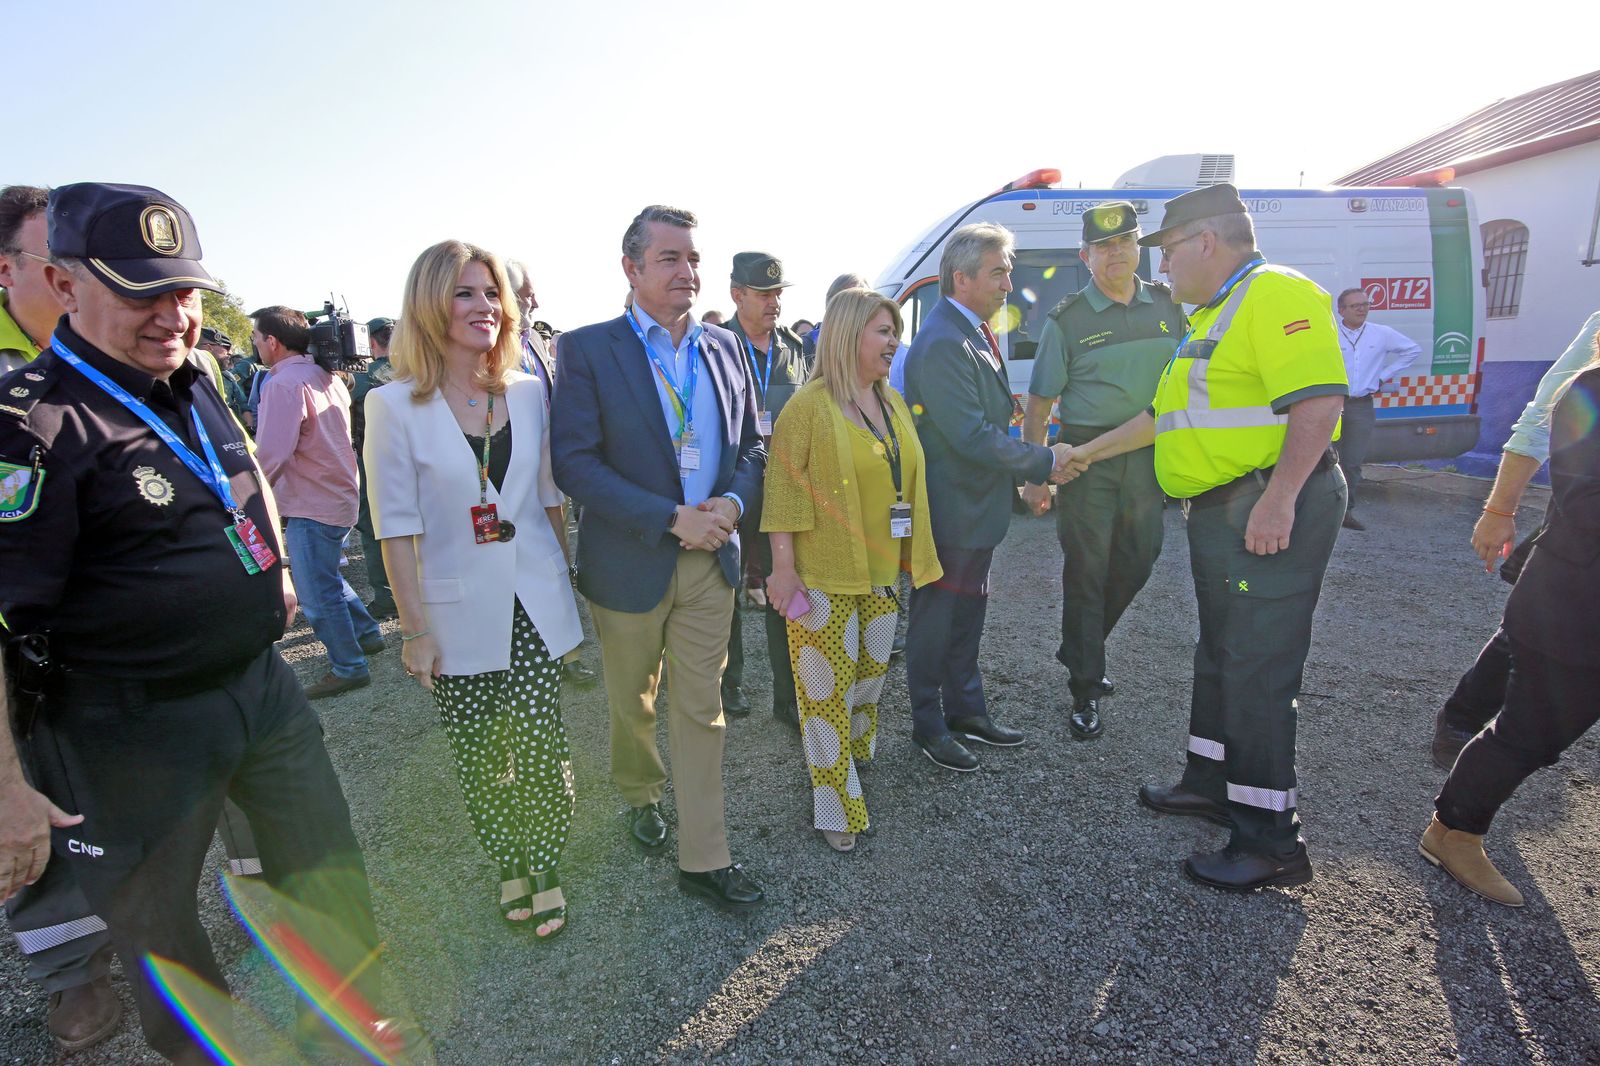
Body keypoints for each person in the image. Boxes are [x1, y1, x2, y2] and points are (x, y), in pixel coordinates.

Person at [0, 182, 425, 1064]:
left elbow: (239, 474)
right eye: (141, 293)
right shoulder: (30, 426)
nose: (173, 316)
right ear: (64, 284)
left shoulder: (192, 380)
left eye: (185, 291)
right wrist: (5, 788)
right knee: (160, 931)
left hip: (259, 689)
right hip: (126, 722)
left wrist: (274, 572)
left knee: (326, 868)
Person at [1070, 184, 1348, 892]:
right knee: (1221, 653)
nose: (1160, 267)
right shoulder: (1214, 314)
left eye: (1166, 251)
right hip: (1226, 513)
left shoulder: (1275, 293)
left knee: (1257, 667)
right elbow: (1159, 418)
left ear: (1205, 241)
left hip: (1263, 509)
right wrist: (1082, 455)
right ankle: (1211, 782)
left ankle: (1270, 841)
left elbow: (1319, 401)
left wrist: (1280, 500)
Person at [550, 205, 767, 911]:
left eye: (694, 258)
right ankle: (641, 793)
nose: (687, 271)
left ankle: (705, 857)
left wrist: (730, 505)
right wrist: (671, 518)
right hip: (630, 560)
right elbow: (575, 463)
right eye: (670, 258)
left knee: (702, 710)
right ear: (632, 268)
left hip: (711, 562)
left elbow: (751, 446)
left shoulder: (725, 347)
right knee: (633, 701)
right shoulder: (588, 349)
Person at [366, 240, 583, 937]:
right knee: (482, 756)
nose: (484, 306)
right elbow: (395, 528)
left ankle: (545, 863)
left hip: (531, 601)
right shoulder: (391, 405)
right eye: (465, 293)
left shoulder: (527, 391)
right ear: (430, 305)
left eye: (492, 293)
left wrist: (567, 582)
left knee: (542, 743)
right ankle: (508, 861)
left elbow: (547, 494)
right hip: (453, 612)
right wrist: (414, 630)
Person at [0, 183, 121, 1052]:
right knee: (35, 794)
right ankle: (72, 967)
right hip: (28, 641)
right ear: (7, 271)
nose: (75, 279)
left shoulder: (121, 344)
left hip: (133, 621)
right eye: (55, 263)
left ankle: (254, 903)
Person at [1420, 333, 1600, 907]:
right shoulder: (1591, 389)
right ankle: (1454, 832)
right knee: (1531, 733)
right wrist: (1498, 510)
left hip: (1570, 601)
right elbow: (1586, 503)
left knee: (1539, 727)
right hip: (1574, 604)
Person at [763, 288, 941, 850]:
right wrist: (783, 570)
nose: (894, 343)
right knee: (825, 695)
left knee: (868, 679)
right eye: (883, 332)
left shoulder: (890, 400)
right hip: (822, 576)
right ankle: (834, 803)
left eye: (895, 332)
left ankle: (852, 761)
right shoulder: (808, 407)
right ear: (848, 336)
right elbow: (783, 493)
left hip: (883, 573)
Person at [901, 222, 1074, 772]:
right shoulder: (943, 341)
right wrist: (1044, 461)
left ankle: (966, 711)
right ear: (962, 278)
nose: (1008, 283)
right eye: (998, 272)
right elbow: (971, 436)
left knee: (966, 615)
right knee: (936, 620)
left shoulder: (969, 330)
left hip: (974, 509)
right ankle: (928, 725)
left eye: (1008, 271)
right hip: (951, 511)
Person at [1020, 201, 1184, 741]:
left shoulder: (1169, 306)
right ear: (1085, 256)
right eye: (1104, 246)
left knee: (1141, 557)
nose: (1117, 253)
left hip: (1148, 454)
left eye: (1126, 242)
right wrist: (1037, 473)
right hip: (1086, 460)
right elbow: (1040, 403)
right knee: (1087, 571)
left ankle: (1079, 646)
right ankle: (1085, 685)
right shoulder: (1068, 321)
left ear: (1139, 247)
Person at [1431, 308, 1600, 768]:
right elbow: (1541, 417)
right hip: (1585, 518)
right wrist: (1498, 511)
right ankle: (1463, 718)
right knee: (1531, 626)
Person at [252, 304, 384, 699]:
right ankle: (367, 634)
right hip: (338, 493)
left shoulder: (282, 384)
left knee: (315, 592)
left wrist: (248, 496)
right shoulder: (325, 375)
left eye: (256, 337)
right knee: (326, 576)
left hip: (311, 500)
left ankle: (349, 666)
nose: (255, 344)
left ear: (272, 341)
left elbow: (272, 454)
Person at [720, 251, 811, 725]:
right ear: (738, 295)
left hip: (783, 486)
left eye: (778, 293)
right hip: (734, 483)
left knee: (784, 582)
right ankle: (727, 683)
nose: (774, 302)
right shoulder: (714, 346)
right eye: (764, 294)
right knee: (726, 585)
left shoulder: (793, 347)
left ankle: (789, 696)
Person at [504, 257, 600, 690]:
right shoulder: (491, 349)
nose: (536, 303)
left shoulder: (536, 344)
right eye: (527, 296)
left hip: (550, 472)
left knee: (557, 560)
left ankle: (568, 650)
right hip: (509, 480)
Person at [1333, 287, 1420, 530]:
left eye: (1365, 304)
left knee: (1352, 462)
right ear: (1341, 310)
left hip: (1360, 406)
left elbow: (1412, 350)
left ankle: (1345, 512)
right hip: (1332, 404)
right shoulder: (1330, 332)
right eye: (1355, 305)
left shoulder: (1381, 333)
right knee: (1325, 459)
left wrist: (1383, 376)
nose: (1362, 309)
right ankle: (1321, 512)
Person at [349, 316, 399, 620]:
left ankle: (386, 597)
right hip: (416, 459)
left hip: (372, 461)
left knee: (374, 528)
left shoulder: (359, 379)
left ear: (370, 342)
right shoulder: (419, 370)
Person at [804, 272, 869, 359]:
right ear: (830, 305)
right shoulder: (805, 347)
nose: (855, 310)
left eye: (862, 303)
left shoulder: (874, 346)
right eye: (846, 301)